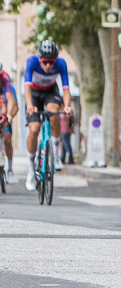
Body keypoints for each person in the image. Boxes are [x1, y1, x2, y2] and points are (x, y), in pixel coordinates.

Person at [24, 40, 73, 191]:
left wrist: (67, 106)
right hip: (34, 94)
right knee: (34, 129)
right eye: (45, 62)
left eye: (51, 63)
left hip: (51, 91)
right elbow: (26, 88)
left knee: (53, 111)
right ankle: (31, 170)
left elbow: (65, 89)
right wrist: (29, 105)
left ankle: (56, 155)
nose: (48, 66)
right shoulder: (31, 62)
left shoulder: (61, 64)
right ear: (40, 59)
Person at [0, 62, 18, 181]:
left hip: (5, 112)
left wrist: (9, 115)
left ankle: (10, 170)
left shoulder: (6, 80)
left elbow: (13, 103)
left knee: (7, 139)